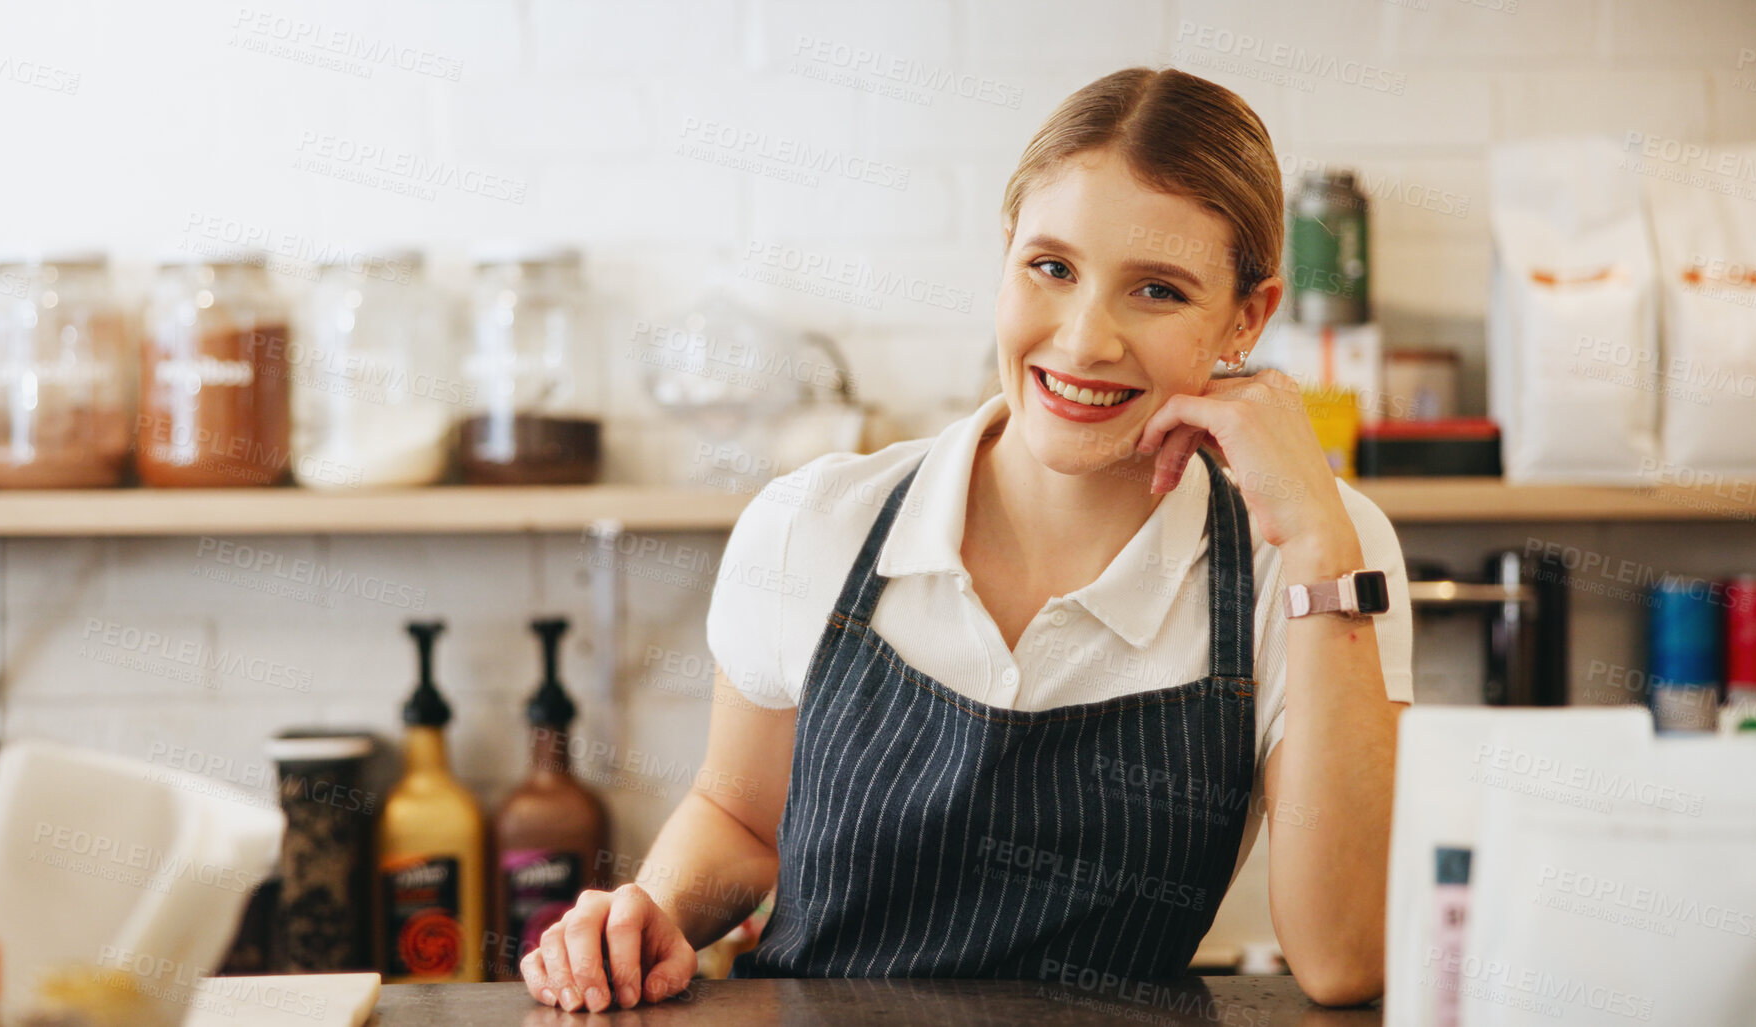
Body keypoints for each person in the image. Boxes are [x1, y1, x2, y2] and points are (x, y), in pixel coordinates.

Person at [521, 66, 1412, 1012]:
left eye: (1155, 289)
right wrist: (653, 910)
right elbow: (738, 817)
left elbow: (1346, 955)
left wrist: (1317, 539)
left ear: (1247, 317)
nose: (1081, 341)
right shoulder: (816, 523)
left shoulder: (1318, 557)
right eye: (1051, 267)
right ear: (1005, 252)